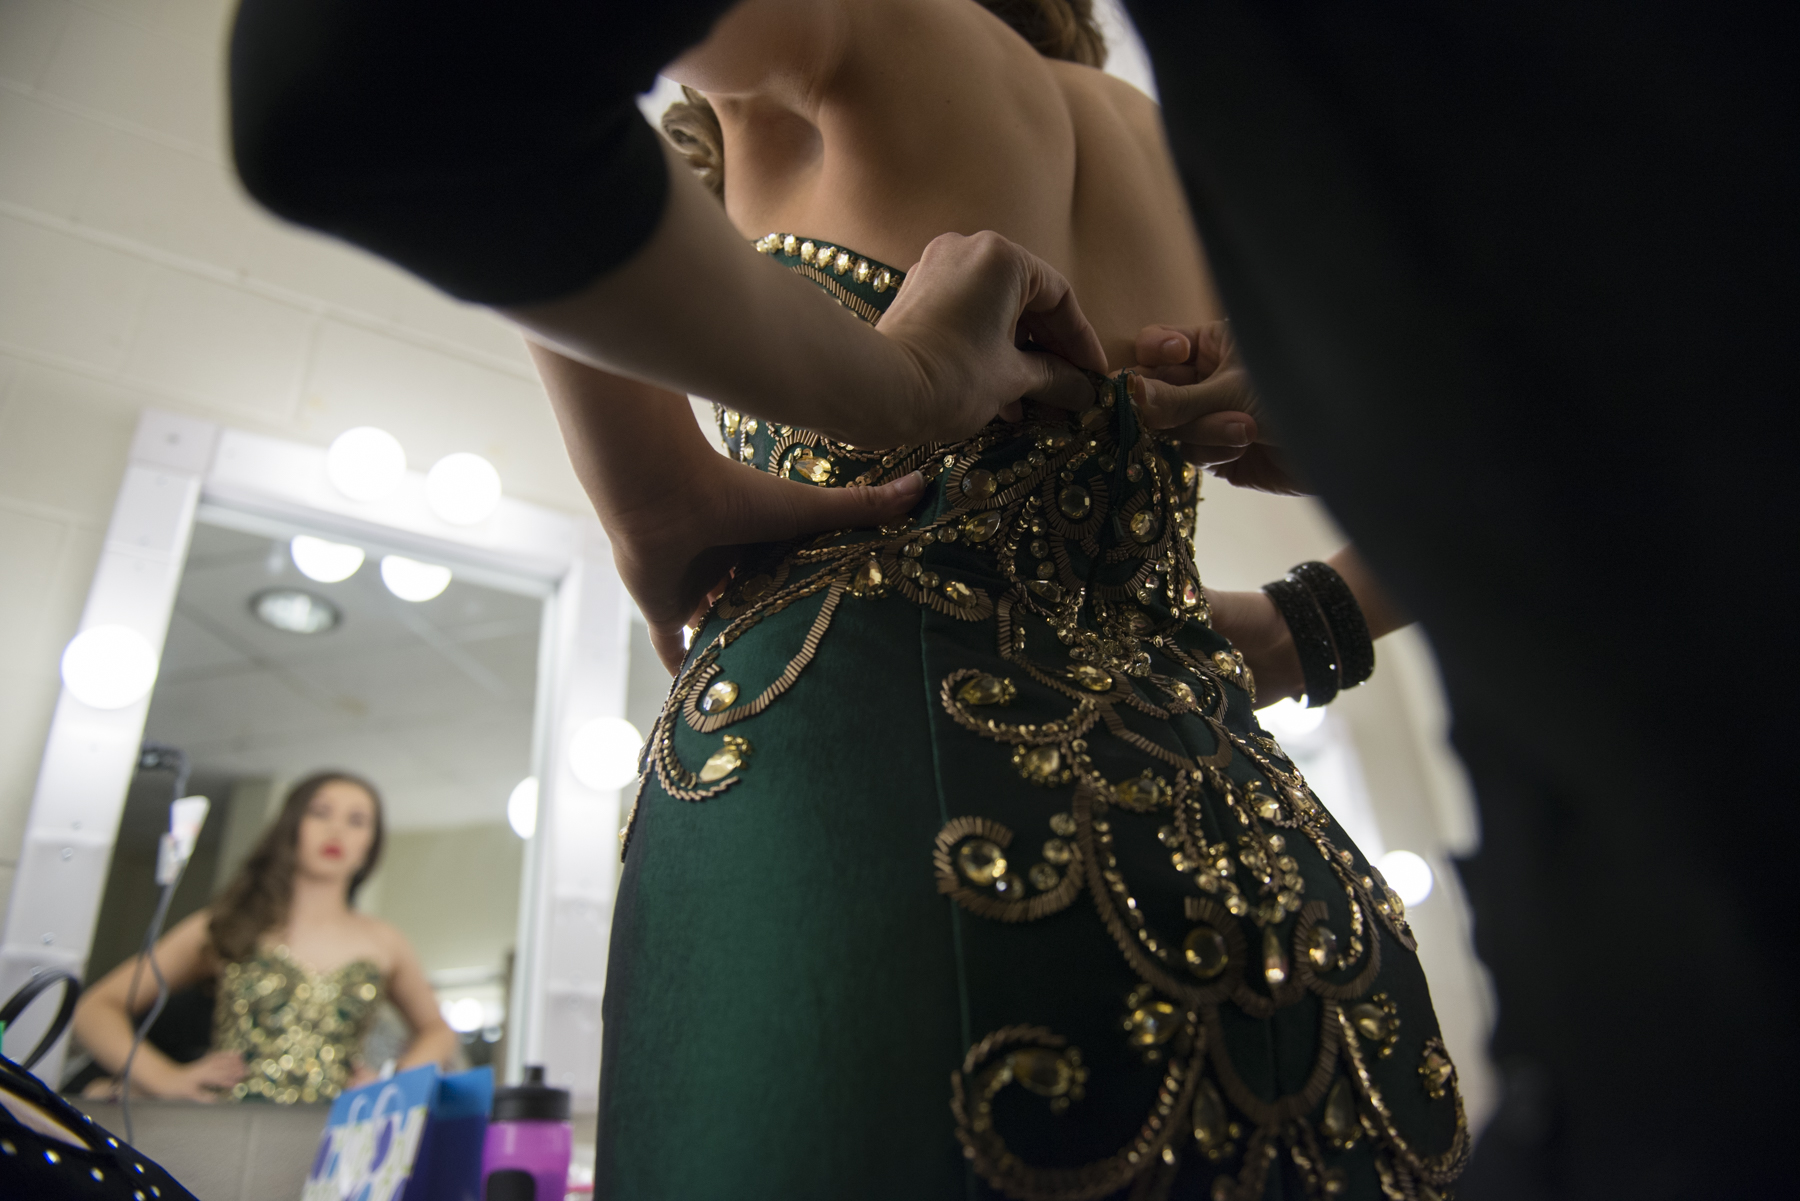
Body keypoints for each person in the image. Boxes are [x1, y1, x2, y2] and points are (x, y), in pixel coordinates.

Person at [227, 0, 1797, 1194]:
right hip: (1279, 895)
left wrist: (654, 484)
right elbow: (1593, 424)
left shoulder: (860, 26)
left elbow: (456, 63)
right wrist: (1307, 618)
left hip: (865, 827)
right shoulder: (1193, 144)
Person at [71, 773, 457, 1104]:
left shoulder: (385, 941)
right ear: (291, 828)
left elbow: (437, 1031)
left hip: (338, 1132)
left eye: (357, 821)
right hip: (229, 1124)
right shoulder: (229, 924)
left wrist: (394, 1084)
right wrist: (165, 1078)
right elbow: (96, 1008)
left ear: (369, 846)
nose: (336, 830)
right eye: (319, 813)